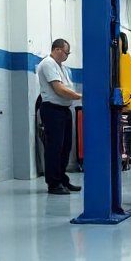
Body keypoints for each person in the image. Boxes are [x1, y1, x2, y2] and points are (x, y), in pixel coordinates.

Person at [36, 38, 83, 195]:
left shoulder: (60, 67)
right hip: (53, 110)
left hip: (64, 110)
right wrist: (80, 96)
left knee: (65, 147)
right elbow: (59, 89)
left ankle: (62, 179)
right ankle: (54, 183)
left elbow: (66, 87)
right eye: (66, 53)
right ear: (57, 50)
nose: (67, 56)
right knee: (54, 148)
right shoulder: (48, 63)